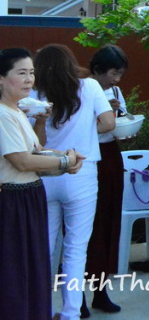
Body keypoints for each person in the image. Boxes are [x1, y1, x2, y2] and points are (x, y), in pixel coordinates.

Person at [31, 45, 115, 320]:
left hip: (45, 171)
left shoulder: (34, 93)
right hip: (82, 170)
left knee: (45, 246)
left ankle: (40, 308)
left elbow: (32, 140)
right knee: (76, 248)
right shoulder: (89, 86)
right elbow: (108, 123)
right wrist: (88, 129)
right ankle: (70, 313)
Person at [1, 48, 86, 320]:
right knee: (15, 271)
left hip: (29, 196)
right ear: (1, 79)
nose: (29, 79)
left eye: (32, 73)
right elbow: (23, 161)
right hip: (12, 201)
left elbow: (37, 153)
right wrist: (65, 162)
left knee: (32, 268)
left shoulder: (17, 111)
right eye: (21, 73)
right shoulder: (3, 114)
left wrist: (66, 159)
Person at [84, 44, 131, 315]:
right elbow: (77, 127)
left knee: (110, 220)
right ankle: (76, 295)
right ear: (97, 70)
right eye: (113, 73)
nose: (116, 80)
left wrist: (118, 116)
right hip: (90, 156)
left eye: (120, 74)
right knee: (88, 226)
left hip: (111, 154)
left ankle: (101, 291)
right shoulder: (82, 90)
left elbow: (122, 121)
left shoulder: (114, 91)